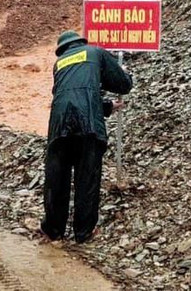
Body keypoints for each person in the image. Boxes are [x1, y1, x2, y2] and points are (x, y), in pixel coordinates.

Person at [41, 30, 133, 243]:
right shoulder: (95, 52)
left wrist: (107, 106)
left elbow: (74, 94)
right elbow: (122, 85)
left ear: (62, 50)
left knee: (57, 179)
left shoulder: (60, 64)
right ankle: (83, 232)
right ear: (81, 43)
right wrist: (126, 75)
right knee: (87, 178)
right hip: (88, 125)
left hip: (59, 125)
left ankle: (53, 230)